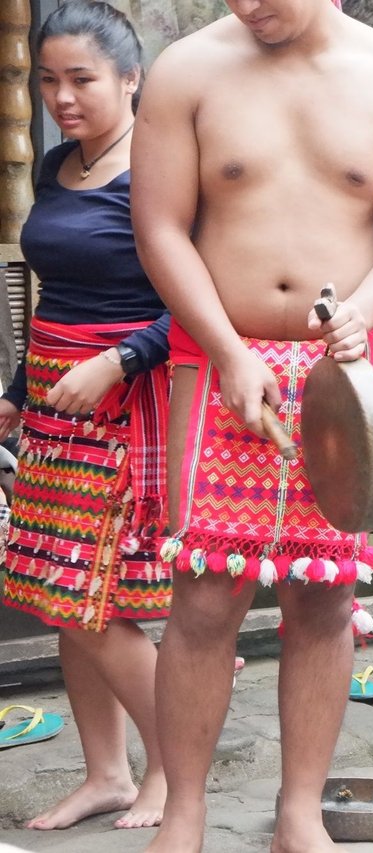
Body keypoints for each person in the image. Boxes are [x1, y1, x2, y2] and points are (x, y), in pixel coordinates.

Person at [129, 0, 373, 849]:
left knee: (326, 593)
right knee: (201, 596)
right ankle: (186, 809)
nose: (247, 3)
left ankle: (300, 809)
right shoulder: (186, 72)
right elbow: (159, 227)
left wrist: (364, 311)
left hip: (342, 373)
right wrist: (227, 351)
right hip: (215, 356)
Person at [0, 1, 170, 831]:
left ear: (131, 78)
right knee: (56, 593)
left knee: (90, 597)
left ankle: (174, 768)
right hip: (56, 409)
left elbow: (211, 299)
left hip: (128, 404)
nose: (62, 97)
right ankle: (107, 772)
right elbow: (55, 295)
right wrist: (19, 387)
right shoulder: (54, 167)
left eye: (82, 79)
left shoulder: (164, 169)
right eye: (47, 80)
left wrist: (121, 360)